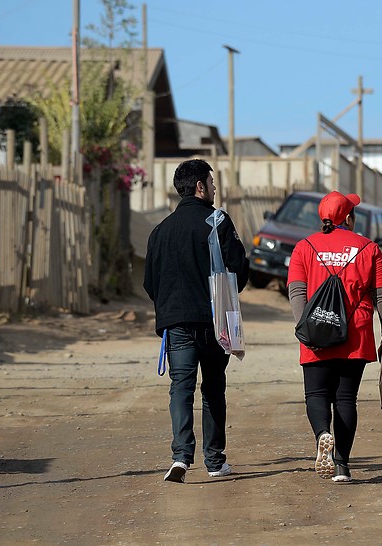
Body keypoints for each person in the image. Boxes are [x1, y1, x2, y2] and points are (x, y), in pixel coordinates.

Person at [143, 159, 249, 483]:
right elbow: (239, 270)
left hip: (175, 323)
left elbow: (150, 282)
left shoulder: (160, 231)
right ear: (200, 186)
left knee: (181, 387)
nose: (215, 189)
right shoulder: (217, 222)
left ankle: (180, 457)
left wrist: (171, 309)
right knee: (213, 388)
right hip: (213, 322)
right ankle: (215, 461)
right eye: (212, 183)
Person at [287, 191, 382, 483]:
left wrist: (304, 327)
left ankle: (323, 433)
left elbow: (296, 291)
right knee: (346, 398)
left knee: (316, 394)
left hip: (316, 331)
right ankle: (342, 466)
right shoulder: (369, 248)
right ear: (349, 218)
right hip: (355, 332)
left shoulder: (304, 247)